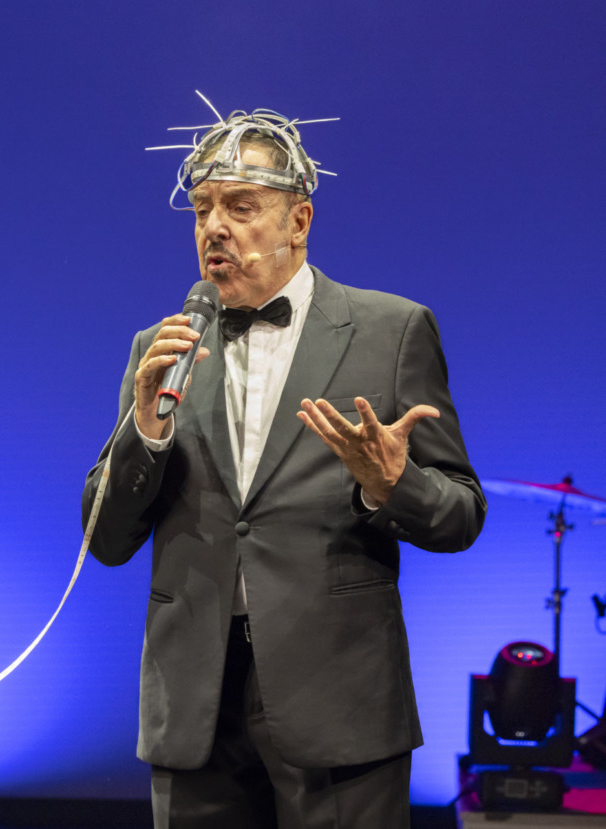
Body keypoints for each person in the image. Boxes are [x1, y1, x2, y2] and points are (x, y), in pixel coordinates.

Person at [82, 103, 485, 828]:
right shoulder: (160, 349)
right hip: (195, 705)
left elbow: (461, 514)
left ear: (299, 221)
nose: (214, 227)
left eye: (240, 207)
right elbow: (105, 540)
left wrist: (390, 484)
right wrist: (146, 428)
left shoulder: (392, 331)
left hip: (340, 702)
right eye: (202, 209)